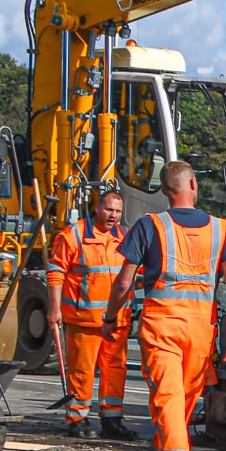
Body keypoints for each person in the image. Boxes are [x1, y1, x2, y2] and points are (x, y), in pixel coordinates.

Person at [105, 159, 226, 451]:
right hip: (201, 330)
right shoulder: (220, 228)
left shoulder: (148, 225)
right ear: (193, 185)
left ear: (165, 192)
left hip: (162, 327)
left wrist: (110, 316)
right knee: (179, 407)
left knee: (170, 405)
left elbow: (124, 281)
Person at [48, 184, 132, 438]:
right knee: (82, 370)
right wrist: (55, 308)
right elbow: (55, 272)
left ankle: (112, 419)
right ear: (97, 208)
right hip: (84, 320)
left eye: (117, 211)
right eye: (109, 209)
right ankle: (77, 418)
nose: (113, 215)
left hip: (116, 320)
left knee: (115, 370)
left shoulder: (124, 237)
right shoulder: (74, 236)